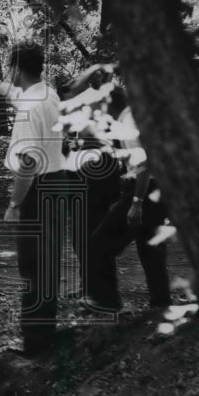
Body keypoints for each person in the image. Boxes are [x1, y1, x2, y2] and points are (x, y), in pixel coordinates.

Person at [0, 42, 68, 356]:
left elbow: (27, 163)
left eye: (7, 66)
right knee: (47, 263)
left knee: (33, 265)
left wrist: (14, 205)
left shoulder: (29, 108)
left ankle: (35, 345)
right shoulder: (47, 93)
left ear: (15, 68)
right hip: (57, 183)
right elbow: (12, 93)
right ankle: (45, 334)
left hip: (38, 191)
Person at [86, 88, 172, 313]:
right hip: (156, 191)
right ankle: (160, 303)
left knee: (99, 244)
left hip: (143, 190)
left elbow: (144, 163)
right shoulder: (135, 116)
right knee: (150, 247)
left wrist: (136, 202)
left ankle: (107, 301)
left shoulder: (129, 122)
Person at [61, 66, 123, 303]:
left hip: (99, 179)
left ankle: (103, 294)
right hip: (79, 177)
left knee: (95, 236)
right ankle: (88, 287)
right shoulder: (80, 106)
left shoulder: (109, 103)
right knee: (79, 236)